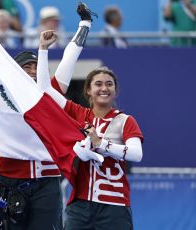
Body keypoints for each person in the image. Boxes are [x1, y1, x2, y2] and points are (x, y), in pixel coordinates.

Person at [0, 3, 95, 229]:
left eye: (34, 67)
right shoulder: (0, 97)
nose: (30, 71)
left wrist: (85, 24)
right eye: (25, 67)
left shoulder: (52, 93)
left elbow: (69, 57)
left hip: (47, 179)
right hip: (9, 178)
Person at [37, 29, 144, 230]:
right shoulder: (78, 113)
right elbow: (44, 91)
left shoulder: (126, 121)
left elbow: (137, 154)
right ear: (88, 90)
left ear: (115, 91)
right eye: (98, 84)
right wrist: (43, 50)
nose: (104, 88)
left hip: (115, 205)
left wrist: (101, 144)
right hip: (80, 205)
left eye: (109, 84)